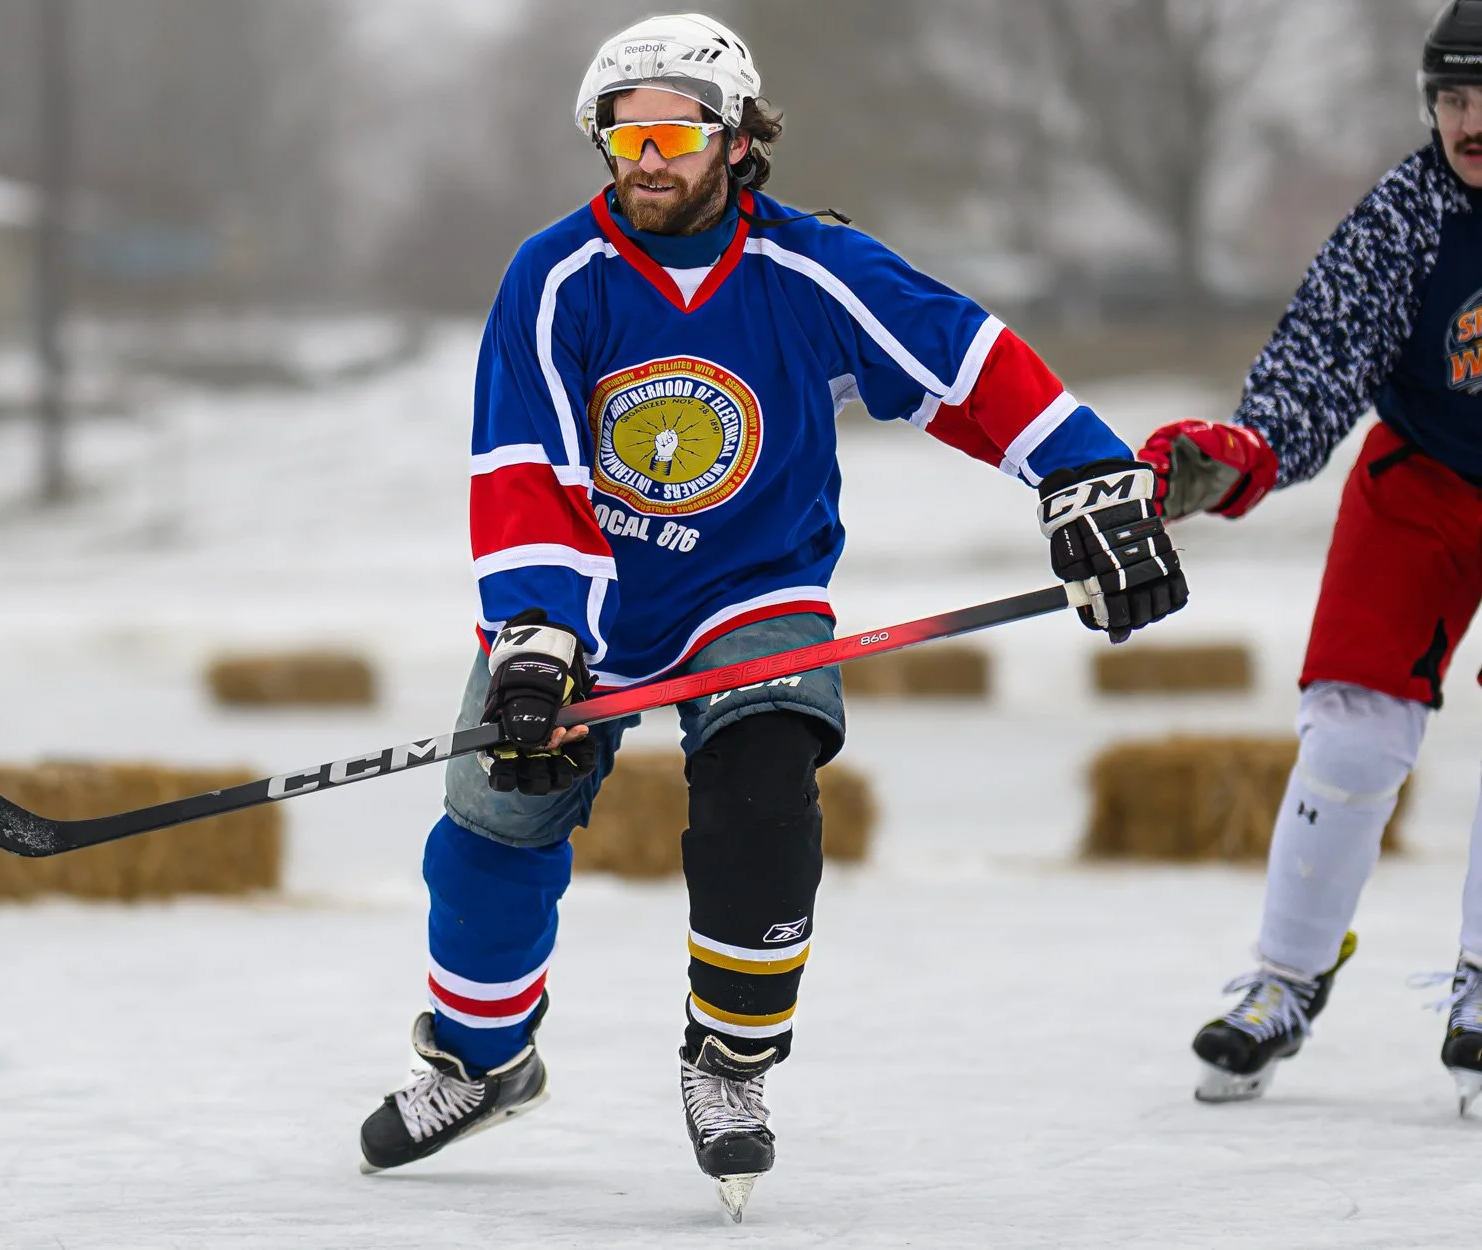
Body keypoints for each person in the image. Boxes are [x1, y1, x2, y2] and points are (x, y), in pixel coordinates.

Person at [357, 11, 1188, 1215]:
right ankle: (483, 1058)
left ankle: (730, 1062)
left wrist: (1089, 482)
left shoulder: (811, 268)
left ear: (739, 141)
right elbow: (526, 465)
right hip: (580, 601)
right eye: (624, 134)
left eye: (676, 132)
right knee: (495, 818)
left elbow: (966, 361)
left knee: (762, 796)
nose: (647, 158)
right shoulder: (556, 275)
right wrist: (537, 638)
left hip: (755, 594)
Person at [1145, 0, 1482, 1113]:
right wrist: (1238, 451)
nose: (1470, 123)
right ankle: (1284, 978)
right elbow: (1319, 358)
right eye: (1453, 100)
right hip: (1425, 479)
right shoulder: (1407, 215)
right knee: (1351, 726)